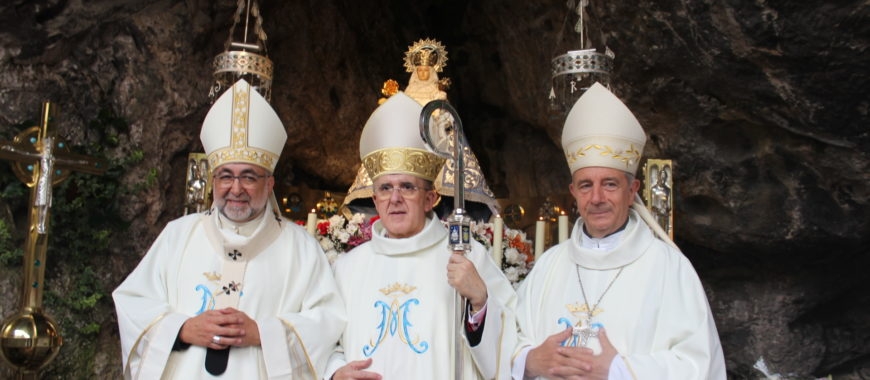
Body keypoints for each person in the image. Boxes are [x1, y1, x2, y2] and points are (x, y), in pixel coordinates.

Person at [113, 79, 345, 379]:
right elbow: (133, 304)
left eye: (248, 177)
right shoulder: (178, 235)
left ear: (269, 184)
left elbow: (327, 321)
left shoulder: (300, 247)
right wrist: (183, 329)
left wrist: (262, 332)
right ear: (214, 181)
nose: (235, 189)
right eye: (225, 176)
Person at [512, 83, 726, 379]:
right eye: (586, 185)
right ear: (573, 192)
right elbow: (509, 341)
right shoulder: (549, 266)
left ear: (632, 190)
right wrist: (530, 361)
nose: (597, 198)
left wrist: (620, 371)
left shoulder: (670, 268)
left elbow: (699, 365)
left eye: (610, 184)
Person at [325, 93, 517, 379]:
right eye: (385, 189)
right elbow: (323, 342)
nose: (395, 198)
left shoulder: (466, 257)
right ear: (375, 200)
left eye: (407, 187)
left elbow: (511, 347)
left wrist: (480, 302)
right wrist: (335, 372)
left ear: (430, 199)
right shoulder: (347, 267)